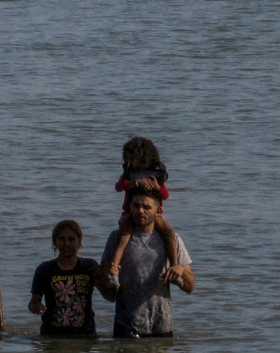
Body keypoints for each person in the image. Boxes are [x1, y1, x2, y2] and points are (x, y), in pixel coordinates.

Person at [99, 181, 195, 338]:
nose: (140, 211)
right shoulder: (116, 238)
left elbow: (190, 287)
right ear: (129, 206)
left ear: (158, 210)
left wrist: (180, 271)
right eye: (135, 206)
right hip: (126, 326)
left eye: (146, 207)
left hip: (161, 324)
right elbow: (108, 294)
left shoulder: (172, 239)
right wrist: (107, 275)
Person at [105, 137, 178, 277]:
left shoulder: (156, 174)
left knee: (169, 232)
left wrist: (157, 187)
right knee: (124, 235)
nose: (130, 162)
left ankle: (174, 267)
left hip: (154, 214)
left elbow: (165, 195)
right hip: (130, 213)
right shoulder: (129, 175)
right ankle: (113, 271)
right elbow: (118, 187)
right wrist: (136, 183)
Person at [30, 220, 110, 336]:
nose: (66, 243)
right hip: (52, 335)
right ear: (55, 243)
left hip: (85, 334)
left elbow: (109, 296)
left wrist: (108, 277)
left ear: (79, 242)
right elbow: (33, 302)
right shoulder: (45, 269)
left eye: (71, 239)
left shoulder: (89, 266)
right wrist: (36, 307)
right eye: (61, 239)